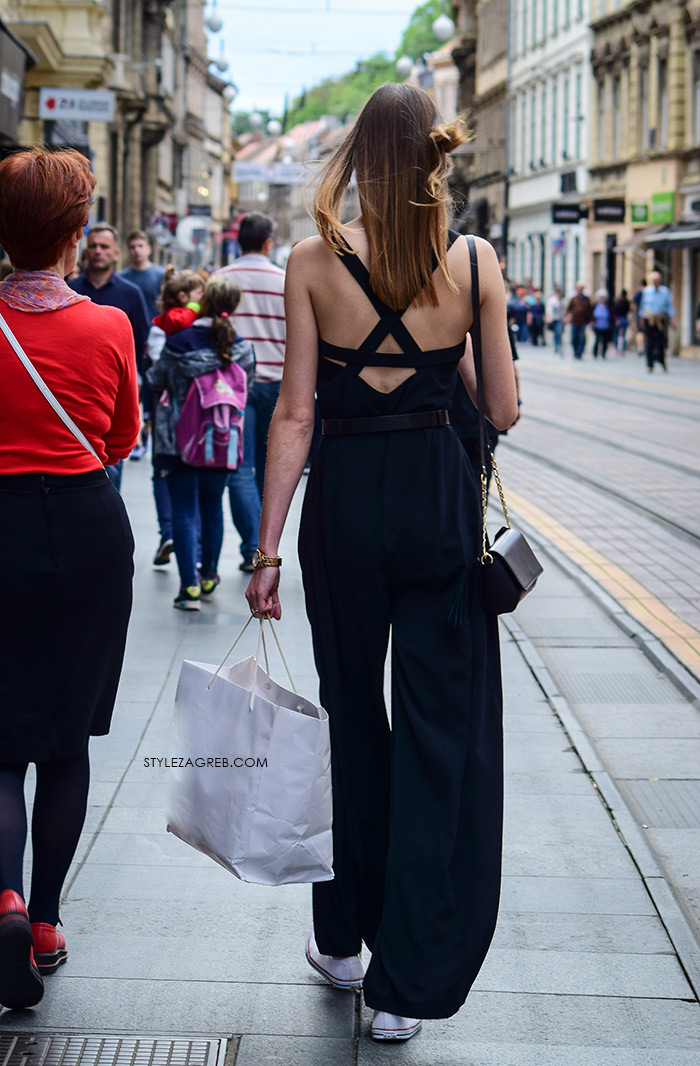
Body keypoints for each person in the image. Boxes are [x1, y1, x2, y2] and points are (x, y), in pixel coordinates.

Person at [245, 84, 517, 1042]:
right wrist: (448, 364)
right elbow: (506, 409)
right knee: (441, 732)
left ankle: (342, 937)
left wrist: (267, 547)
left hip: (347, 511)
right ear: (435, 159)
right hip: (439, 513)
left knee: (352, 716)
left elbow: (294, 416)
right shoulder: (476, 260)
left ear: (359, 155)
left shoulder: (313, 261)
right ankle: (403, 985)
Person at [0, 146, 139, 1010]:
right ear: (78, 231)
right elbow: (123, 439)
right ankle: (45, 920)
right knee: (66, 740)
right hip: (89, 533)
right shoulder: (109, 326)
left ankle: (1, 898)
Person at [146, 274, 255, 610]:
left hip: (180, 439)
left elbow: (155, 378)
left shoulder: (179, 341)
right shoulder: (241, 346)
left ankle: (189, 588)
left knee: (183, 509)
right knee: (212, 508)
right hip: (219, 439)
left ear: (203, 303)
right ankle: (209, 576)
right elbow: (245, 384)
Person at [213, 212, 286, 568]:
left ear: (237, 241)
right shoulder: (284, 280)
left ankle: (250, 550)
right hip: (275, 385)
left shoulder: (220, 279)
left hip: (232, 387)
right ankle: (262, 548)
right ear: (269, 242)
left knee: (239, 470)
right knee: (268, 470)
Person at [69, 225, 150, 489]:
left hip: (115, 393)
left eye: (104, 247)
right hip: (74, 390)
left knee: (111, 472)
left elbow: (141, 345)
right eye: (92, 246)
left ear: (116, 253)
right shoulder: (69, 289)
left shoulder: (130, 294)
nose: (97, 251)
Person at [146, 268, 205, 566]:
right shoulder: (171, 328)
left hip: (170, 419)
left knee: (169, 477)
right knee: (179, 480)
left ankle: (177, 537)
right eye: (198, 294)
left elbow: (155, 375)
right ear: (183, 297)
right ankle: (181, 540)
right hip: (184, 419)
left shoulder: (164, 330)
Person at [120, 229, 165, 320]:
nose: (136, 250)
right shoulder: (121, 278)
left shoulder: (161, 275)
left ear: (149, 249)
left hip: (154, 329)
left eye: (140, 246)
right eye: (132, 247)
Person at [638, 272, 675, 372]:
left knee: (661, 341)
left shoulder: (665, 291)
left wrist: (672, 318)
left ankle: (661, 361)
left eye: (657, 280)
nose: (656, 282)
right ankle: (649, 364)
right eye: (654, 280)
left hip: (660, 319)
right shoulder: (646, 291)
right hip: (649, 318)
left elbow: (669, 305)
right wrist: (641, 318)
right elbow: (642, 306)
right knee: (649, 341)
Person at [564, 281, 592, 359]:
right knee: (574, 337)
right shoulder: (574, 299)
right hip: (574, 321)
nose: (580, 290)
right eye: (578, 289)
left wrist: (590, 320)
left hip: (583, 321)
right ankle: (575, 351)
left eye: (581, 289)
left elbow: (590, 310)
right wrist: (566, 316)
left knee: (581, 337)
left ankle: (580, 352)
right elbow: (569, 308)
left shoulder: (586, 299)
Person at [591, 290, 612, 359]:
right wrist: (593, 322)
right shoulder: (595, 305)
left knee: (605, 340)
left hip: (605, 325)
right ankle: (595, 353)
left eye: (603, 298)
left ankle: (603, 353)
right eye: (601, 298)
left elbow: (612, 315)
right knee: (597, 339)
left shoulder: (608, 306)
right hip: (597, 325)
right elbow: (592, 314)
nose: (602, 300)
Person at [545, 283, 565, 354]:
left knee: (558, 332)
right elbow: (549, 310)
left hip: (560, 319)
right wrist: (549, 318)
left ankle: (558, 345)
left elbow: (564, 309)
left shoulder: (562, 300)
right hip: (553, 319)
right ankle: (555, 345)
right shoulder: (552, 300)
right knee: (555, 333)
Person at [613, 288, 630, 353]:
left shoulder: (617, 301)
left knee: (616, 334)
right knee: (623, 335)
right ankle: (622, 349)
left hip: (618, 319)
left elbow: (614, 311)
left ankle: (616, 348)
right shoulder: (627, 302)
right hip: (624, 318)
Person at [632, 278, 646, 354]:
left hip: (640, 315)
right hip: (647, 315)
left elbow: (634, 306)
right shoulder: (648, 293)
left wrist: (635, 315)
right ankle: (644, 347)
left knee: (640, 333)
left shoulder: (638, 293)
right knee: (645, 333)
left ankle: (640, 347)